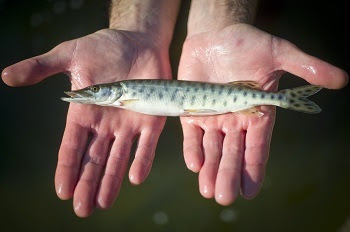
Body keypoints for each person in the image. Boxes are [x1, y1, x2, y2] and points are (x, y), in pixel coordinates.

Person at [1, 0, 347, 217]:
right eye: (93, 92)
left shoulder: (125, 94)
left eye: (95, 91)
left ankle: (284, 91)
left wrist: (222, 14)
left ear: (112, 90)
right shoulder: (122, 94)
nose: (90, 93)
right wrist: (134, 24)